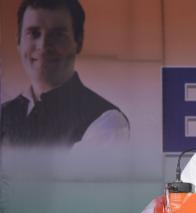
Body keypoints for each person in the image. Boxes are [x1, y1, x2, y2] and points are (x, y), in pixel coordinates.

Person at [0, 0, 129, 149]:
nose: (43, 46)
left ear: (78, 41)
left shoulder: (107, 122)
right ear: (18, 41)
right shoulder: (4, 113)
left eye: (57, 35)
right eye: (34, 34)